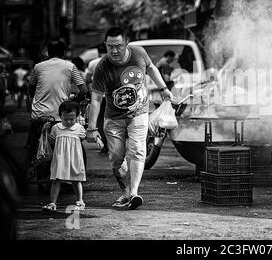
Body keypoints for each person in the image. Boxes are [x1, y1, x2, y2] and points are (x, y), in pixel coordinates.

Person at [86, 26, 173, 210]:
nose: (114, 51)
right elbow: (95, 99)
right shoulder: (102, 67)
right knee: (117, 158)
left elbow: (151, 68)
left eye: (118, 45)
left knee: (138, 151)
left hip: (140, 112)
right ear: (105, 45)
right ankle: (125, 191)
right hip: (114, 118)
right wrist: (92, 128)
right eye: (110, 46)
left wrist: (164, 89)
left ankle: (133, 192)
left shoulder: (139, 53)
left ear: (126, 43)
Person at [27, 40, 88, 184]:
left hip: (39, 115)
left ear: (48, 53)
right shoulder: (70, 67)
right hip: (60, 116)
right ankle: (71, 175)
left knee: (33, 145)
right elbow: (84, 90)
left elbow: (31, 89)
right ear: (64, 52)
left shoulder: (38, 67)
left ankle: (29, 168)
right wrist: (77, 100)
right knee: (70, 143)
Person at [41, 101, 87, 213]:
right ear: (60, 116)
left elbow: (84, 138)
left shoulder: (79, 128)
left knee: (76, 180)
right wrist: (45, 131)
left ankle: (80, 201)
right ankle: (52, 203)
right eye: (65, 119)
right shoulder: (56, 127)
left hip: (74, 158)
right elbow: (52, 141)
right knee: (56, 180)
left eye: (72, 119)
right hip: (59, 158)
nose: (68, 121)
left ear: (77, 116)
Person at [86, 44, 108, 155]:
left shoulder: (93, 63)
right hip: (111, 96)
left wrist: (91, 92)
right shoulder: (112, 61)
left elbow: (88, 79)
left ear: (98, 52)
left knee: (100, 120)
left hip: (98, 96)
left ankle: (105, 145)